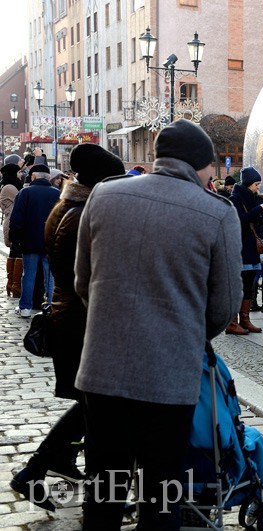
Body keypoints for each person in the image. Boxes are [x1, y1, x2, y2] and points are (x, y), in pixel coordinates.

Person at [73, 118, 241, 529]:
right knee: (161, 493)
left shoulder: (104, 196)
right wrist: (186, 332)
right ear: (201, 165)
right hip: (169, 377)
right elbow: (225, 305)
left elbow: (83, 280)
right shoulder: (216, 213)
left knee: (104, 490)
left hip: (103, 370)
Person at [10, 144, 125, 511]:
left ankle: (55, 463)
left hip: (68, 318)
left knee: (90, 406)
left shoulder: (69, 206)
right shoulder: (82, 215)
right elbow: (90, 279)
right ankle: (37, 472)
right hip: (80, 322)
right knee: (99, 408)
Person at [226, 166, 263, 334]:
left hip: (251, 247)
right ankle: (232, 323)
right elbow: (241, 219)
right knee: (238, 285)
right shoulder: (235, 198)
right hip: (240, 248)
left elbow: (254, 223)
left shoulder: (253, 198)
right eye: (256, 184)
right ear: (248, 183)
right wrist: (260, 209)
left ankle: (245, 320)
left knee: (248, 285)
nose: (258, 187)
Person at [8, 164, 60, 317]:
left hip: (29, 241)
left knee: (28, 275)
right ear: (49, 178)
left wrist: (15, 240)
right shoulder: (57, 194)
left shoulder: (25, 193)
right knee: (50, 276)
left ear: (33, 177)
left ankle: (25, 308)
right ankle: (50, 307)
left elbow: (16, 219)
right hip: (50, 241)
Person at [1, 162, 24, 297]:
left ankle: (12, 284)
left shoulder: (9, 185)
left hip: (12, 221)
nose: (21, 174)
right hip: (12, 222)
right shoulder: (10, 187)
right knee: (17, 251)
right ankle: (15, 285)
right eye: (19, 172)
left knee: (15, 252)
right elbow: (22, 200)